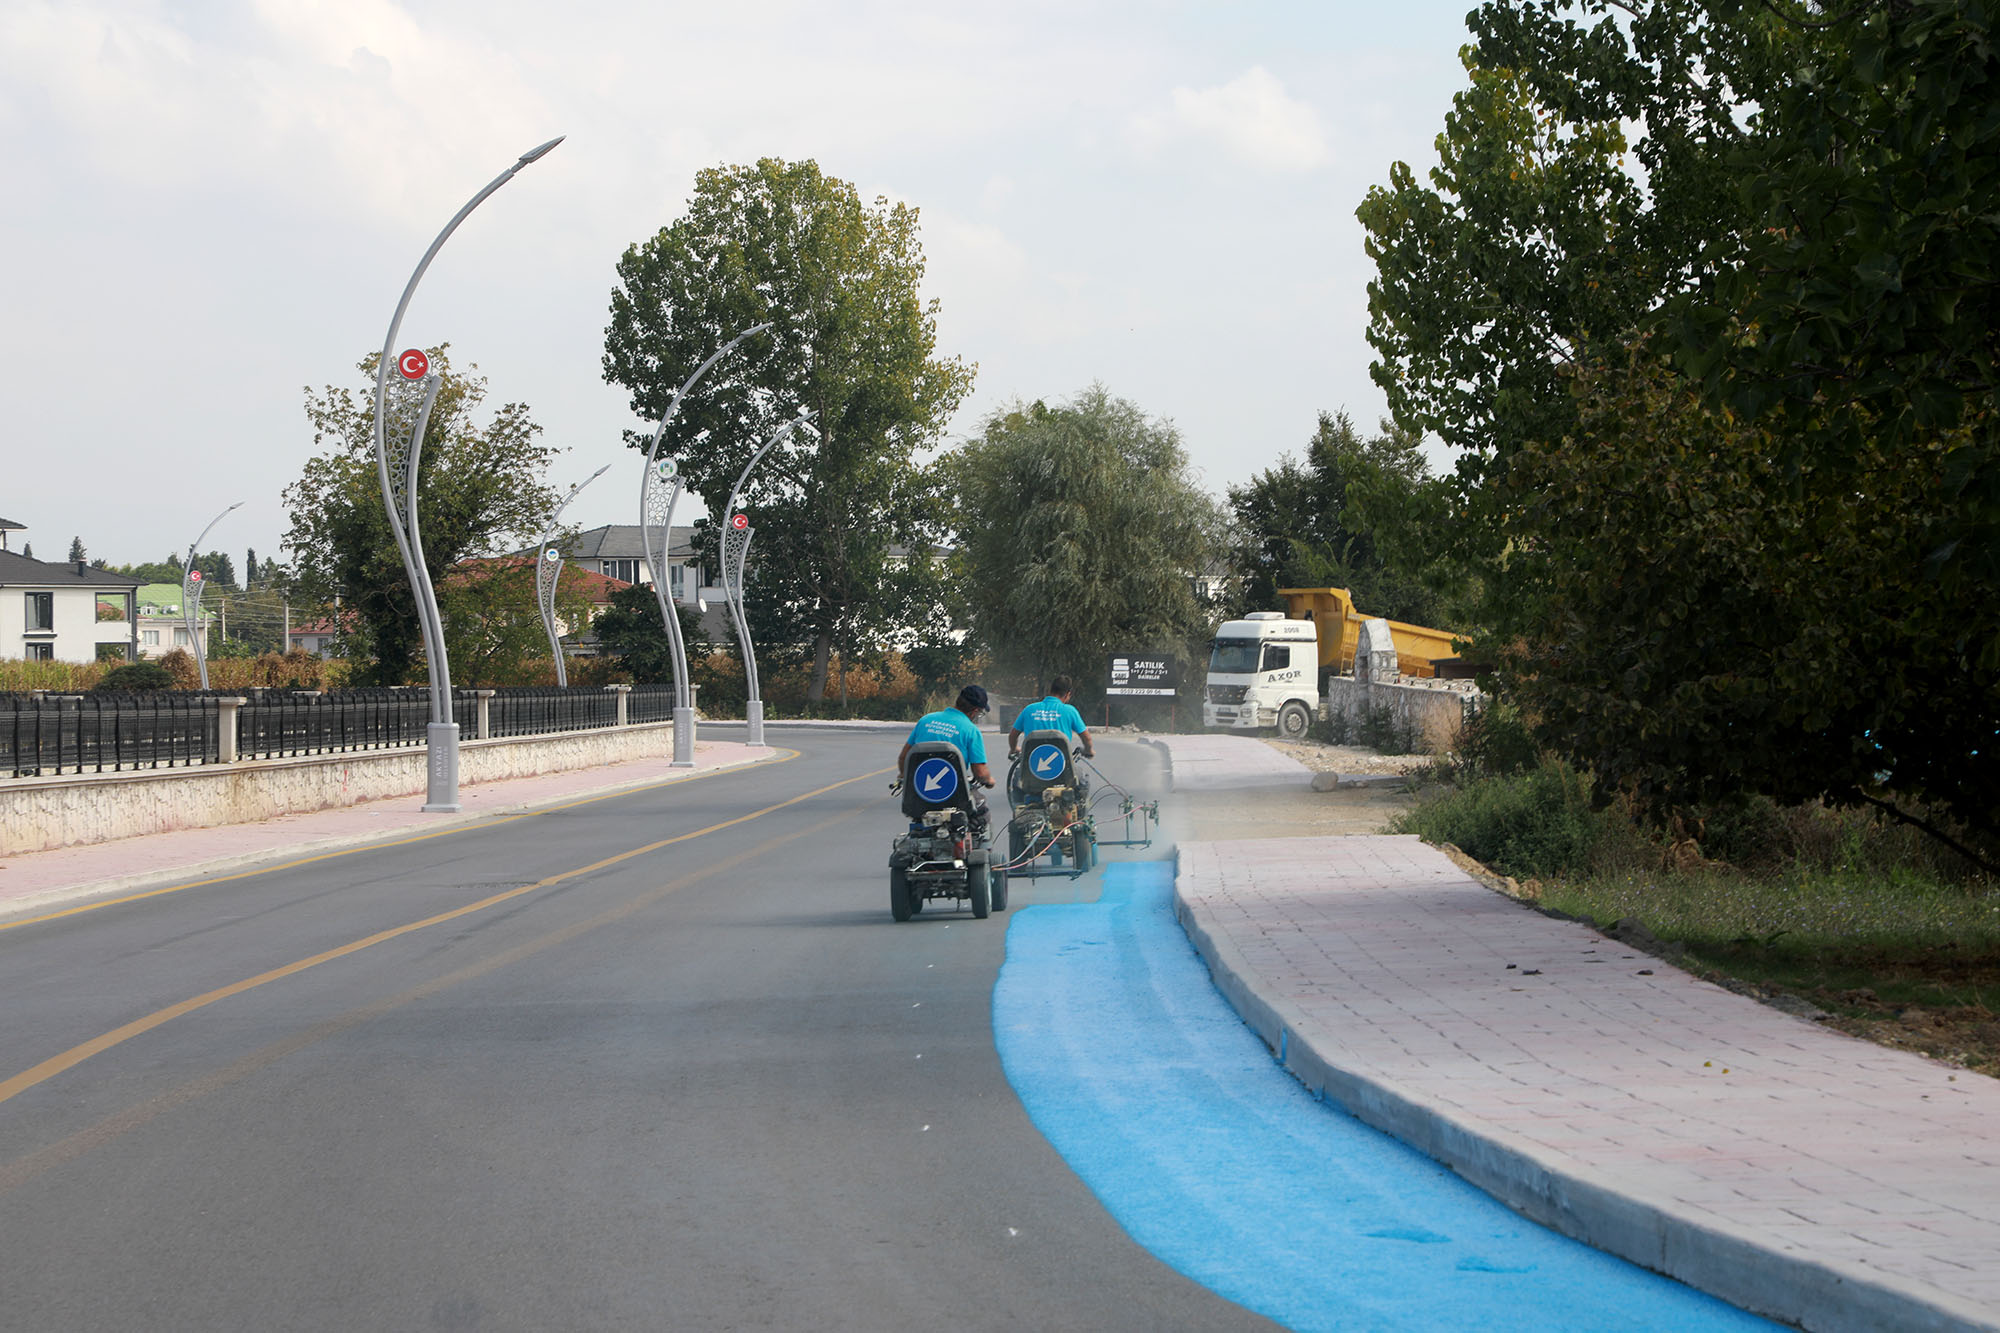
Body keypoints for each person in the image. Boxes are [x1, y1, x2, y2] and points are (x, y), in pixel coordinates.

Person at [900, 684, 997, 793]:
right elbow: (980, 773)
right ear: (975, 711)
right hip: (954, 791)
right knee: (981, 807)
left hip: (920, 790)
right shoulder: (971, 730)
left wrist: (903, 776)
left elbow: (904, 757)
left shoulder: (925, 720)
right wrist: (989, 780)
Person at [1008, 674, 1094, 761]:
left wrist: (1013, 749)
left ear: (1050, 691)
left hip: (1031, 763)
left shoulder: (1029, 709)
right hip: (1062, 765)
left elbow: (1013, 735)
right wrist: (1088, 750)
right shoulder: (1070, 711)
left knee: (1019, 773)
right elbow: (1086, 738)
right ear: (1067, 695)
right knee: (1078, 773)